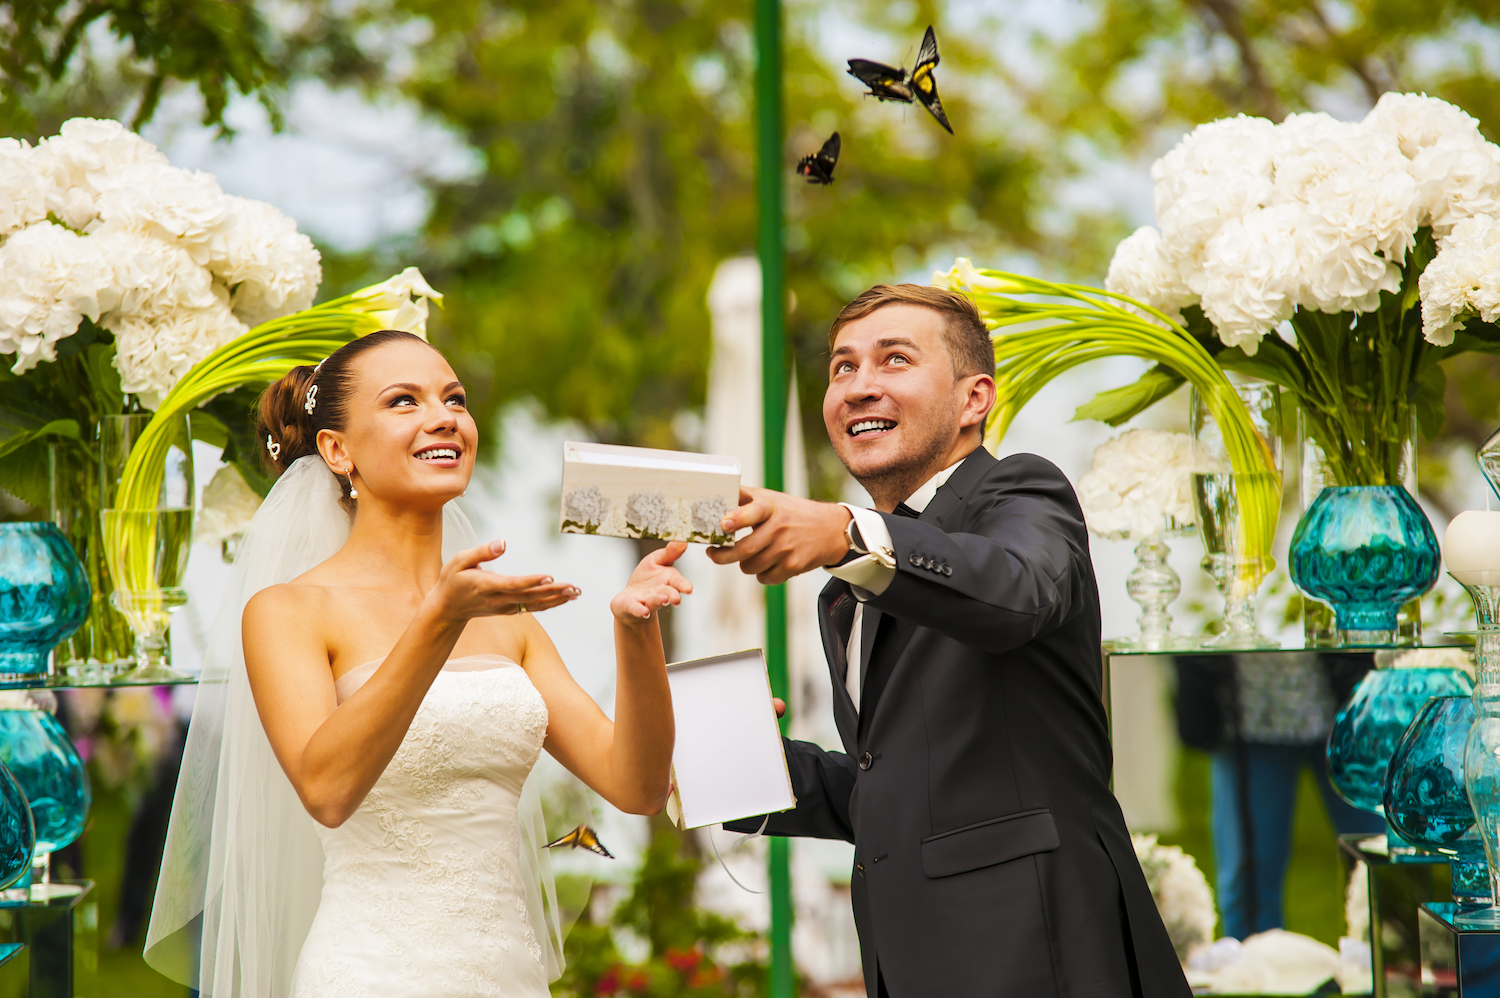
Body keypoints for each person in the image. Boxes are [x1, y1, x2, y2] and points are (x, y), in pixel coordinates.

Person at [144, 329, 687, 997]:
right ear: (337, 451)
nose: (444, 417)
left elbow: (635, 787)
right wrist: (439, 620)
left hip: (508, 975)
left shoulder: (504, 619)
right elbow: (328, 789)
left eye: (454, 399)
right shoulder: (289, 611)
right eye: (404, 401)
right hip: (372, 973)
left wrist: (635, 630)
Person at [709, 285, 1191, 998]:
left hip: (1038, 955)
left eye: (892, 360)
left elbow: (1018, 589)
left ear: (974, 400)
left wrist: (847, 533)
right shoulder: (848, 592)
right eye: (842, 368)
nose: (858, 386)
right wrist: (732, 762)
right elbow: (895, 787)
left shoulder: (1023, 493)